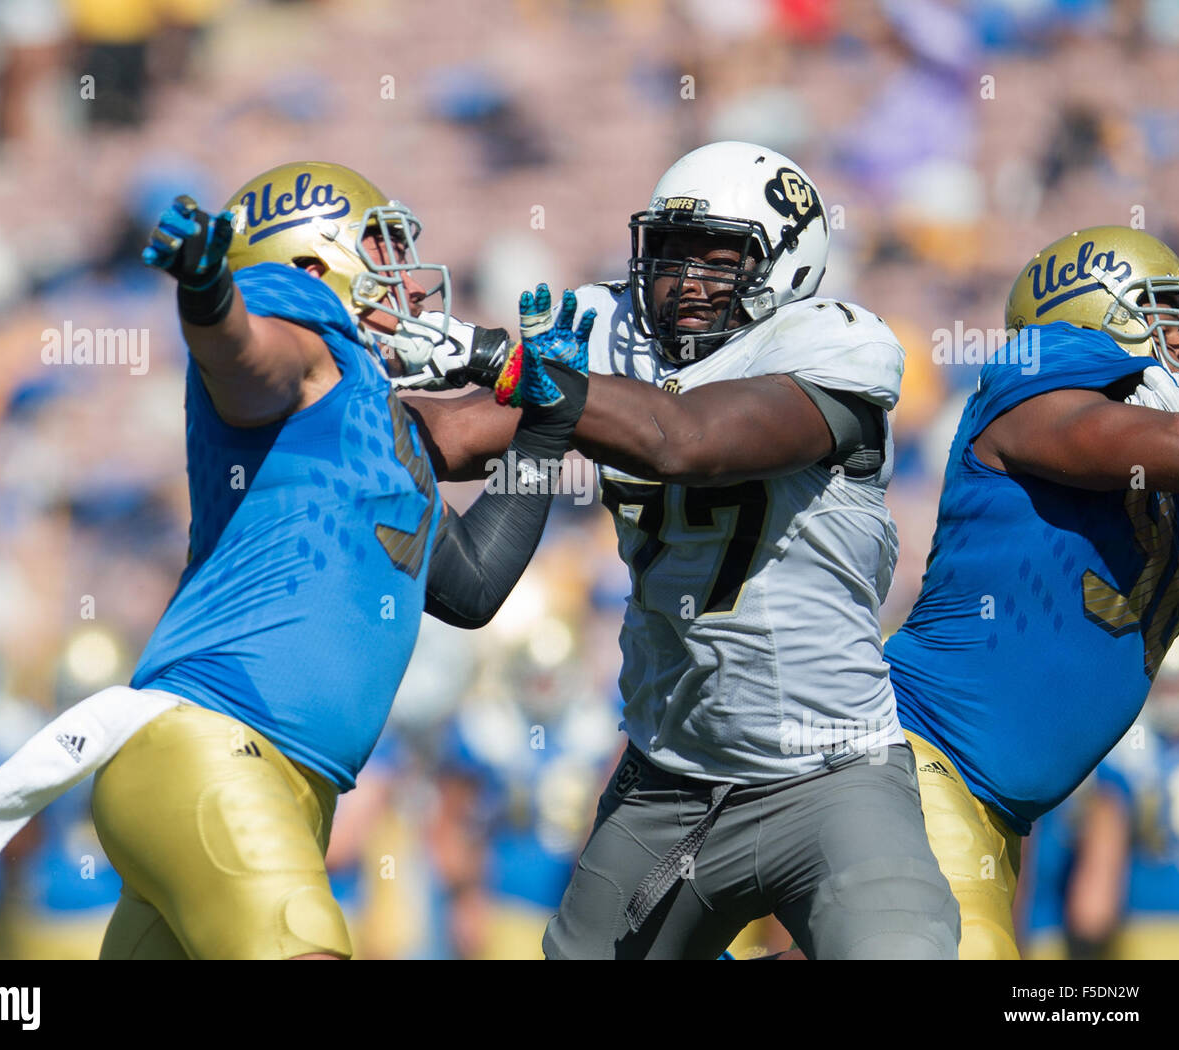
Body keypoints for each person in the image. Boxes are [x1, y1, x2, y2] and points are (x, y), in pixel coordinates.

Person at [0, 160, 594, 960]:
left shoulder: (370, 433)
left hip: (278, 782)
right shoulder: (302, 330)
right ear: (312, 265)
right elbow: (245, 359)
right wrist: (209, 294)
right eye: (380, 250)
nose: (409, 284)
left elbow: (470, 587)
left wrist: (542, 434)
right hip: (218, 749)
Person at [404, 141, 959, 959]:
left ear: (785, 264)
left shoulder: (837, 345)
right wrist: (344, 383)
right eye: (669, 254)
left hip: (831, 772)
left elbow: (685, 440)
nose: (688, 279)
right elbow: (447, 436)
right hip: (667, 779)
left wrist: (506, 360)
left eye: (719, 256)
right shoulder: (609, 333)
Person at [884, 224, 1179, 958]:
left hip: (992, 806)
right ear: (1100, 316)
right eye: (1167, 313)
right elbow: (1130, 440)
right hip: (917, 751)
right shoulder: (1038, 373)